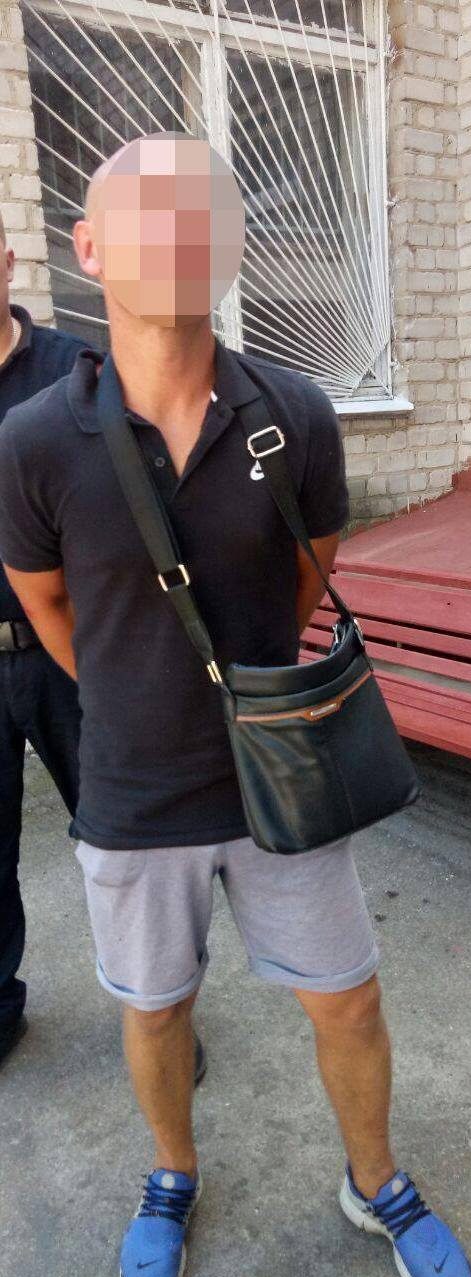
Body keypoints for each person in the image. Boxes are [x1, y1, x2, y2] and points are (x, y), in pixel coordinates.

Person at [0, 133, 471, 1277]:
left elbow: (309, 574)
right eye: (147, 215)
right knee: (156, 1008)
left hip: (284, 781)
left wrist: (234, 687)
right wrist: (132, 693)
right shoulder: (31, 439)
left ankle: (375, 1180)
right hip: (132, 791)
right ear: (89, 246)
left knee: (348, 1001)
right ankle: (173, 1172)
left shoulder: (297, 413)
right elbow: (46, 603)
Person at [0, 211, 85, 1068]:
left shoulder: (73, 370)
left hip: (69, 647)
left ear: (8, 258)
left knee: (122, 841)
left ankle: (161, 1016)